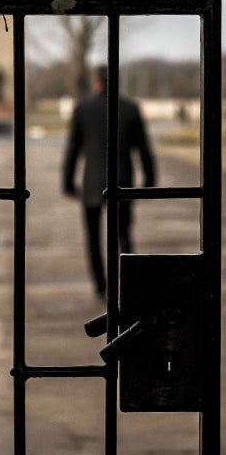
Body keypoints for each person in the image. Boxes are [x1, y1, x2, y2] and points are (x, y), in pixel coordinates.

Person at [61, 66, 157, 299]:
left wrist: (68, 183)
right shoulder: (130, 109)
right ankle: (128, 283)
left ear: (96, 82)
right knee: (123, 235)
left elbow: (73, 149)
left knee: (93, 237)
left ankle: (101, 285)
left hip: (92, 181)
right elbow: (144, 149)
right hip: (122, 181)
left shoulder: (83, 109)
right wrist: (149, 182)